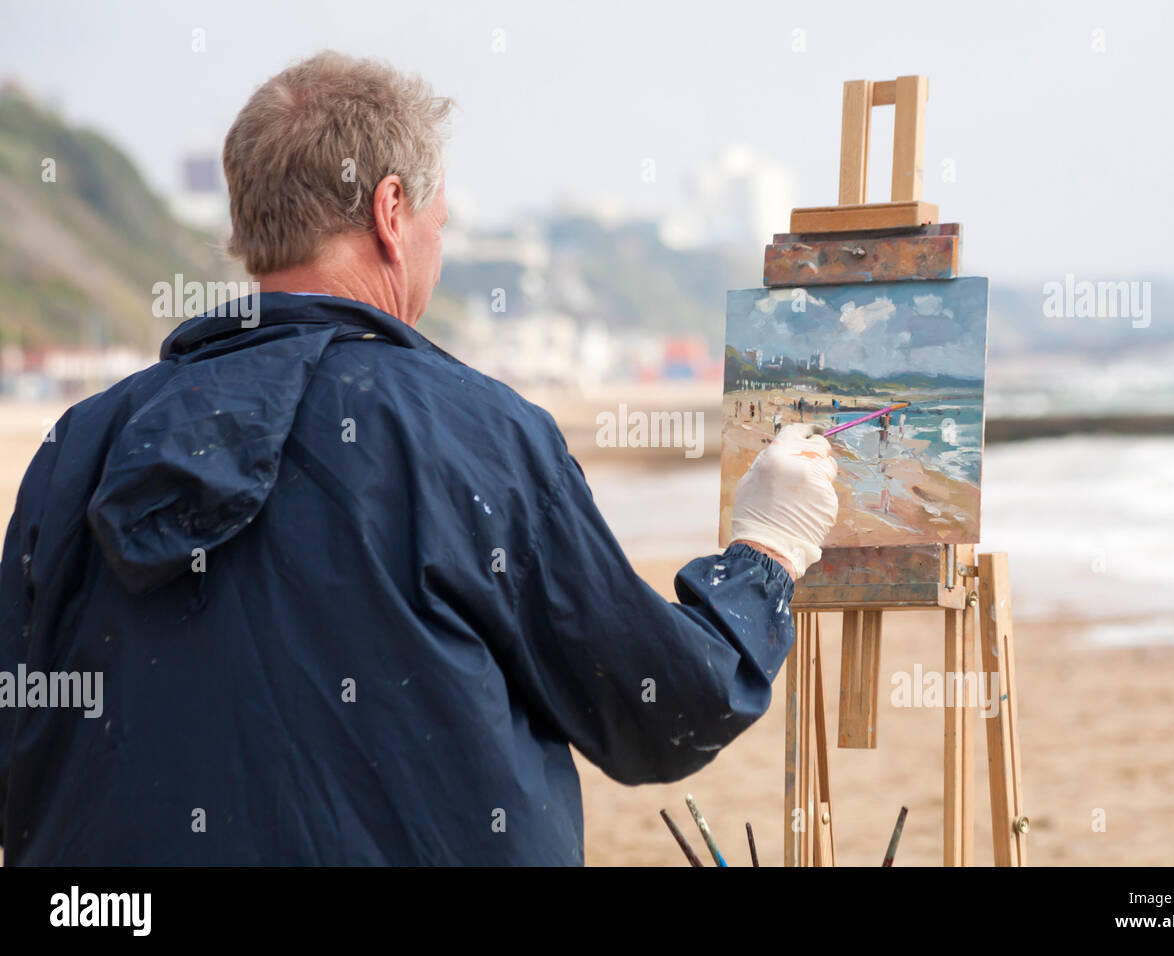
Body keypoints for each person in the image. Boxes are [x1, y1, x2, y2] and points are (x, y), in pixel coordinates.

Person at [0, 52, 839, 865]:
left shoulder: (78, 446)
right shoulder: (476, 435)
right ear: (391, 211)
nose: (439, 244)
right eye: (440, 220)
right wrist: (764, 555)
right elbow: (658, 711)